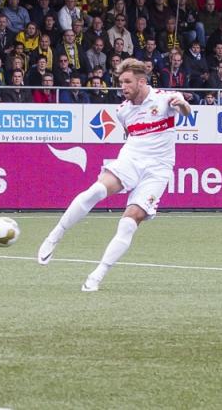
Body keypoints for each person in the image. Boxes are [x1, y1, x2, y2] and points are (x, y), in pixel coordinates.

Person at [37, 58, 191, 292]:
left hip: (158, 170)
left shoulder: (164, 98)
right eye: (121, 82)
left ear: (141, 82)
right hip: (131, 159)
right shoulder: (122, 111)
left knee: (129, 224)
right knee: (96, 190)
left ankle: (97, 276)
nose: (123, 87)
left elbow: (186, 112)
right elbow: (130, 135)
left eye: (127, 82)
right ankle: (54, 236)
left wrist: (181, 103)